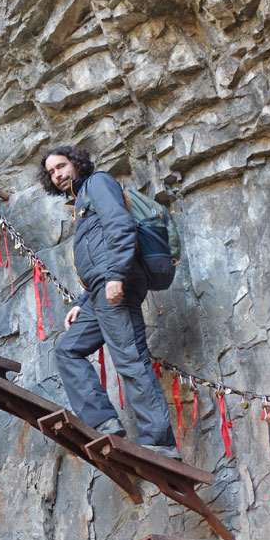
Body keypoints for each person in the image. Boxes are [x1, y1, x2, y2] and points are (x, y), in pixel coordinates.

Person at [38, 146, 180, 459]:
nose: (57, 175)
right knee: (67, 350)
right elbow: (96, 255)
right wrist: (81, 301)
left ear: (76, 164)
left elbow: (120, 225)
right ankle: (103, 421)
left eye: (61, 166)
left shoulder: (98, 183)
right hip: (100, 291)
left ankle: (160, 442)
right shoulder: (80, 203)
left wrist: (116, 275)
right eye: (51, 172)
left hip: (118, 282)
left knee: (131, 358)